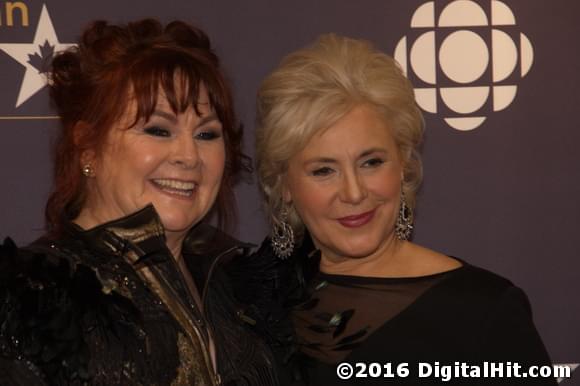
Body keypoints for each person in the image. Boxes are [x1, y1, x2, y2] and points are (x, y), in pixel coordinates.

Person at [248, 34, 557, 385]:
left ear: (404, 165)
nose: (353, 192)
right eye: (323, 170)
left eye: (371, 162)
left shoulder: (483, 309)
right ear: (285, 184)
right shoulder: (251, 306)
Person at [0, 19, 277, 385]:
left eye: (207, 133)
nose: (189, 156)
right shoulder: (31, 302)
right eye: (158, 130)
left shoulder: (240, 288)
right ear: (88, 147)